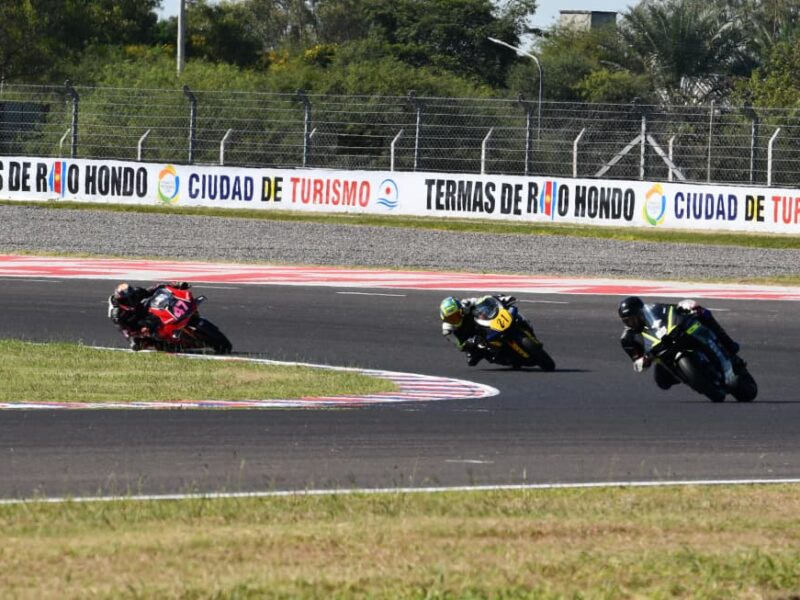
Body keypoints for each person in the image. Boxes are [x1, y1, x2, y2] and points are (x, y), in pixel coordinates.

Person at [618, 295, 744, 389]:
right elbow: (637, 362)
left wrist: (685, 307)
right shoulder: (627, 339)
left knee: (701, 313)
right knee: (662, 382)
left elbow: (672, 309)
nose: (631, 323)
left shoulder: (653, 309)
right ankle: (688, 378)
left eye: (633, 319)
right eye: (627, 321)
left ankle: (728, 346)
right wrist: (642, 362)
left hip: (673, 337)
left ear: (641, 313)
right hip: (660, 354)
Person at [108, 281, 190, 349]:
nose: (131, 301)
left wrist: (175, 285)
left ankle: (176, 317)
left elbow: (154, 289)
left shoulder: (136, 292)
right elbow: (125, 331)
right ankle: (163, 343)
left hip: (140, 309)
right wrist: (137, 335)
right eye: (127, 300)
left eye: (132, 297)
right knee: (139, 344)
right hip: (134, 323)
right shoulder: (117, 315)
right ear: (120, 301)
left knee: (157, 302)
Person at [439, 294, 515, 366]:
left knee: (502, 307)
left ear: (461, 310)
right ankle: (507, 359)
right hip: (471, 339)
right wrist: (465, 344)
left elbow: (483, 299)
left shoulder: (466, 304)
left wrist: (500, 300)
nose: (455, 319)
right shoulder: (447, 330)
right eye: (451, 319)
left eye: (456, 315)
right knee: (472, 360)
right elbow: (458, 344)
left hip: (482, 323)